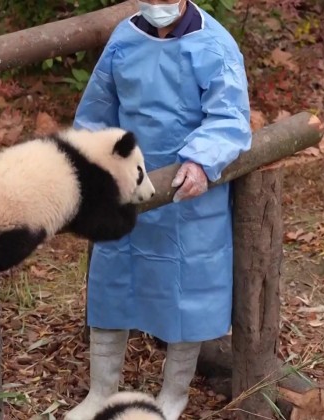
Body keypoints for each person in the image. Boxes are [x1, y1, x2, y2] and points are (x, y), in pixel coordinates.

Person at [64, 1, 252, 419]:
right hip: (128, 188)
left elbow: (229, 117)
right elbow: (96, 112)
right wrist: (92, 163)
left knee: (188, 292)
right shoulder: (124, 39)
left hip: (189, 195)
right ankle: (101, 391)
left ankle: (173, 395)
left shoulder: (214, 45)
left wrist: (201, 160)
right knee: (112, 283)